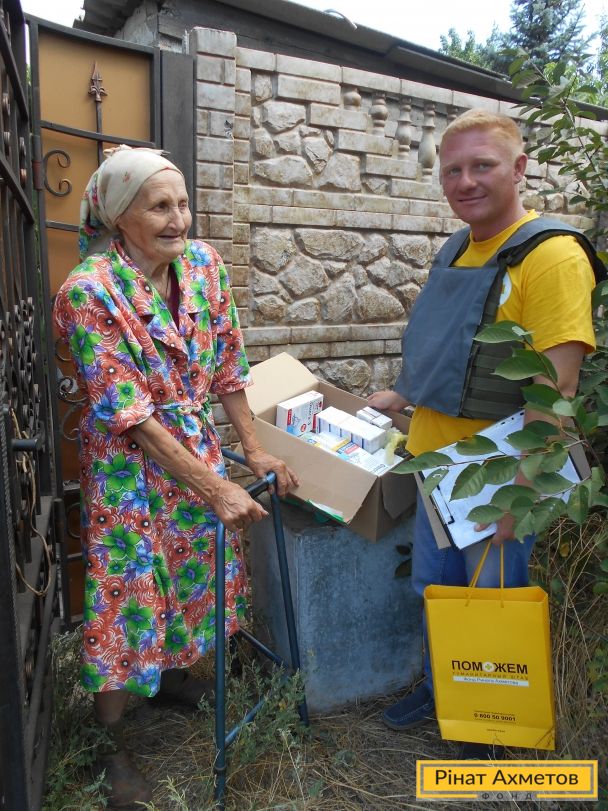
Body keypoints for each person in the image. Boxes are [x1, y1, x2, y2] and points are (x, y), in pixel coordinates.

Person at [53, 145, 299, 807]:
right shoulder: (89, 293)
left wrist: (252, 451)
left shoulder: (204, 266)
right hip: (127, 470)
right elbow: (131, 416)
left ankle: (168, 679)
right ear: (119, 216)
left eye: (183, 203)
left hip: (193, 452)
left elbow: (229, 366)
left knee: (194, 572)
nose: (178, 219)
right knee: (128, 589)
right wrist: (215, 487)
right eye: (159, 206)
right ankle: (110, 737)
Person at [369, 109, 603, 756]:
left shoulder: (552, 256)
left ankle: (493, 723)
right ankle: (444, 690)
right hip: (436, 461)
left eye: (482, 165)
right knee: (436, 589)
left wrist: (520, 493)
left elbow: (556, 387)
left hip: (500, 470)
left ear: (519, 168)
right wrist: (403, 393)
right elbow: (447, 345)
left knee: (493, 595)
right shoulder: (457, 248)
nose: (465, 181)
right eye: (452, 170)